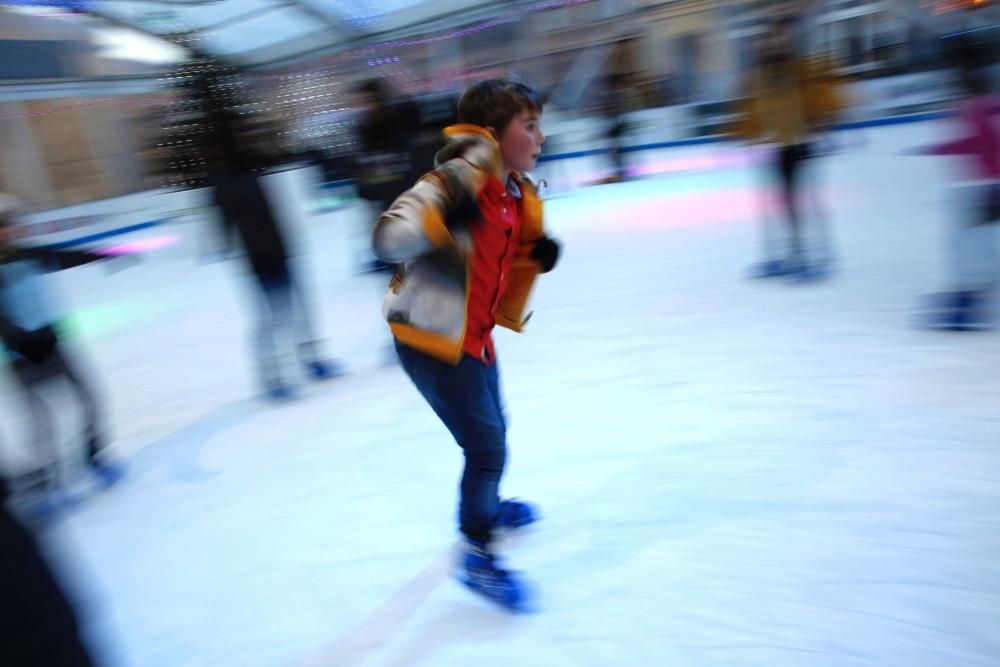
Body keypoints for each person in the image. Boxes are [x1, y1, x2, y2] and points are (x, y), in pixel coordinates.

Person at [372, 79, 561, 611]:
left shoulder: (516, 192)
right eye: (529, 126)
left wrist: (535, 255)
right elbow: (387, 237)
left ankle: (489, 506)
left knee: (494, 430)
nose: (541, 138)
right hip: (431, 337)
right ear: (493, 135)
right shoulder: (455, 181)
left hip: (472, 336)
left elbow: (502, 254)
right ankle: (477, 549)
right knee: (486, 448)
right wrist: (438, 224)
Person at [0, 194, 128, 511]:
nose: (8, 232)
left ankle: (94, 456)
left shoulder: (30, 254)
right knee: (42, 422)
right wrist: (16, 337)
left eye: (10, 226)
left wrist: (105, 254)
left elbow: (66, 256)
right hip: (22, 355)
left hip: (54, 342)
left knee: (88, 399)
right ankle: (48, 487)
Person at [204, 114, 341, 399]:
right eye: (244, 134)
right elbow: (224, 221)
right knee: (270, 318)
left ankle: (311, 358)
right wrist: (224, 244)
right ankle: (272, 376)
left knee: (300, 309)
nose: (250, 138)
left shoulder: (253, 168)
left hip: (280, 248)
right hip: (258, 257)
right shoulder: (225, 178)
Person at [734, 17, 846, 280]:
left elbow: (822, 97)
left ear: (786, 42)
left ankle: (819, 256)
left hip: (801, 143)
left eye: (776, 40)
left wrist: (823, 120)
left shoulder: (801, 70)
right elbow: (752, 110)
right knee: (783, 205)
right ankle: (792, 253)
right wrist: (747, 134)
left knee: (806, 203)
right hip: (777, 146)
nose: (771, 45)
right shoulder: (760, 76)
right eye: (766, 41)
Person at [916, 35, 1000, 330]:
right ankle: (974, 291)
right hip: (986, 185)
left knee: (967, 243)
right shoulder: (989, 106)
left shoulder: (978, 108)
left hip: (986, 187)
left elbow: (977, 142)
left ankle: (970, 298)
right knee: (973, 242)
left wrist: (938, 148)